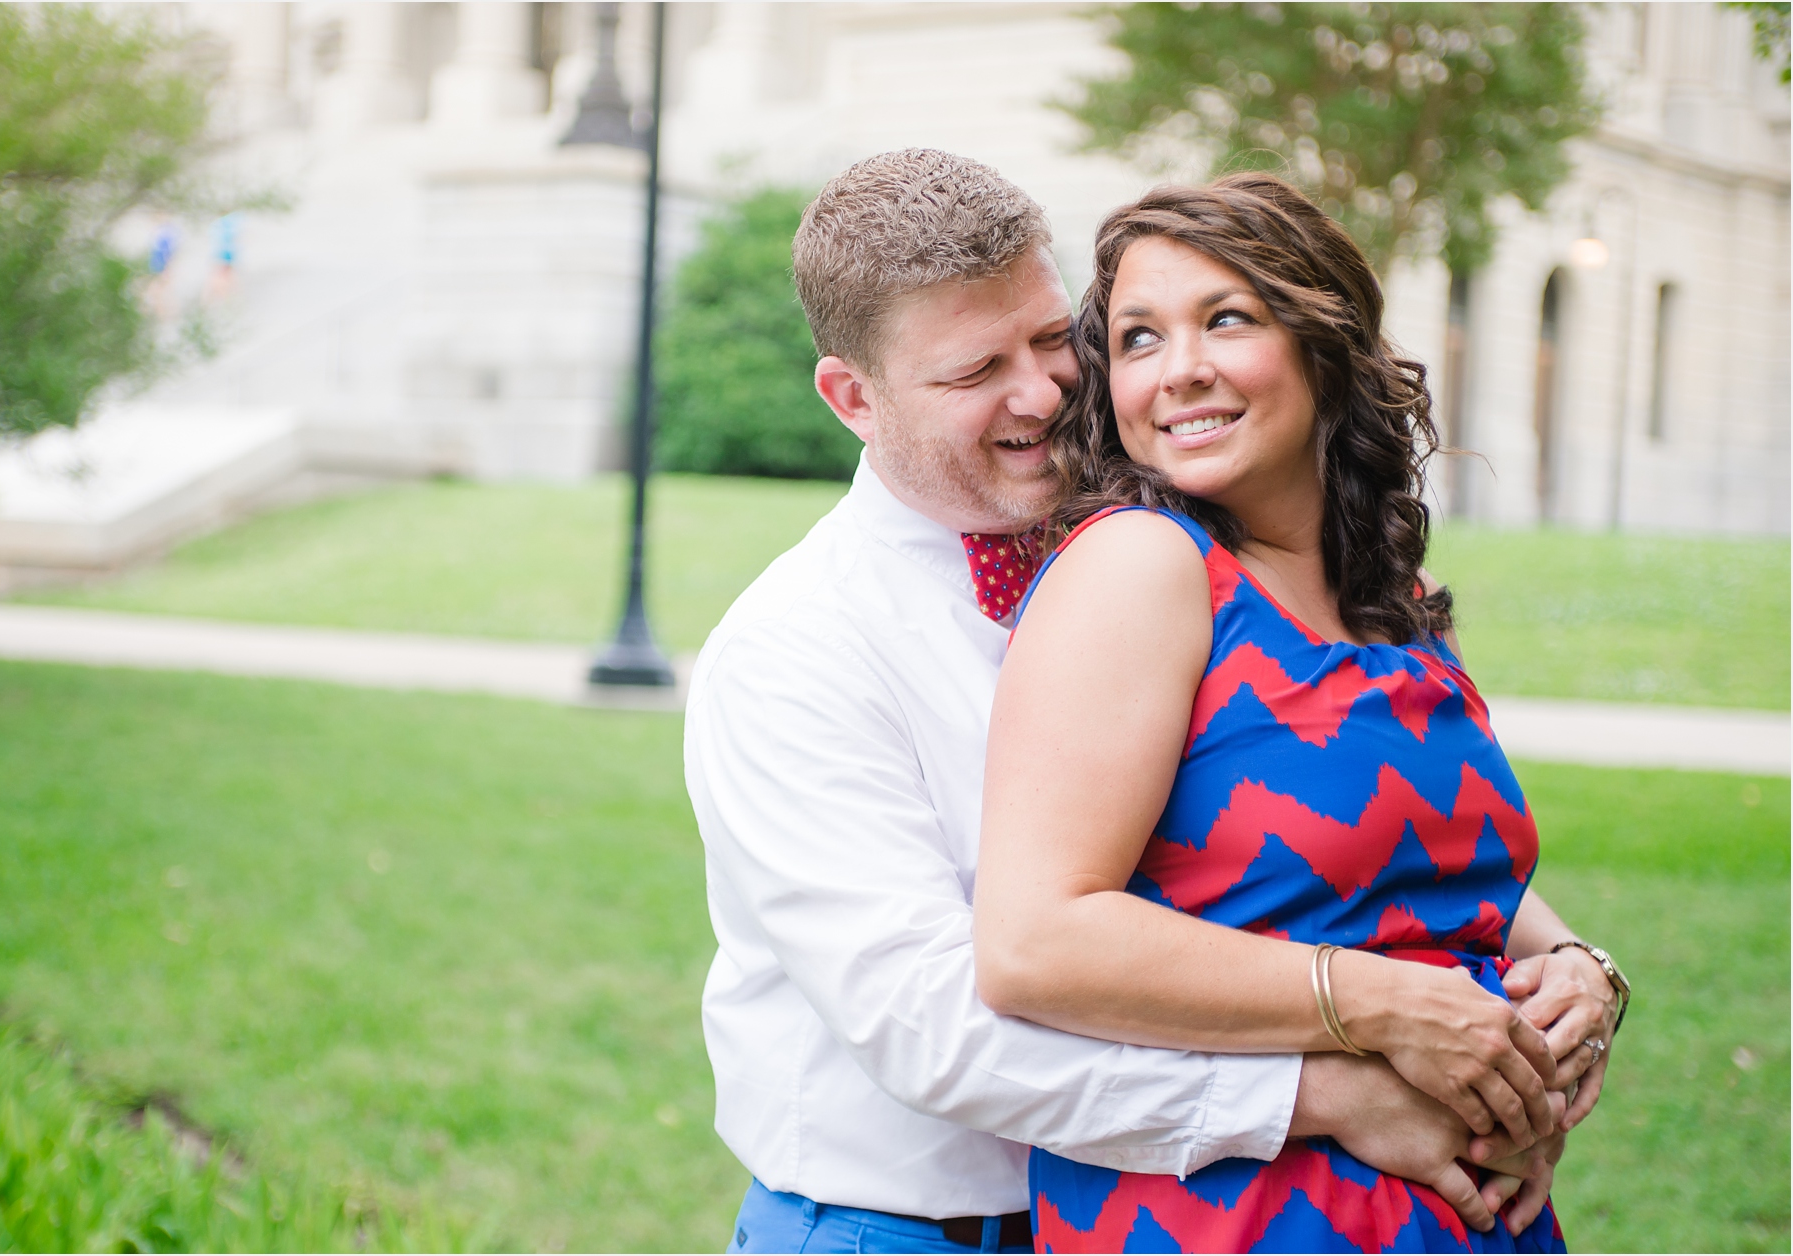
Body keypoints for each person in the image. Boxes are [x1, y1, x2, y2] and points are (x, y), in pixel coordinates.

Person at [687, 149, 1584, 1256]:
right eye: (975, 372)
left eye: (1053, 337)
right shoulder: (793, 652)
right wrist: (1328, 1089)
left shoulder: (1185, 532)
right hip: (914, 1226)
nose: (1041, 391)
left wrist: (1558, 966)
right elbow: (937, 1027)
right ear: (851, 398)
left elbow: (1325, 816)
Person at [972, 175, 1628, 1252]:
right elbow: (1034, 939)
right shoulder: (1142, 568)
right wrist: (1382, 1004)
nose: (1178, 368)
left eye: (1224, 319)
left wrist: (1575, 970)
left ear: (1322, 342)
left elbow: (1412, 862)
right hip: (1237, 1215)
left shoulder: (1396, 597)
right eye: (1137, 338)